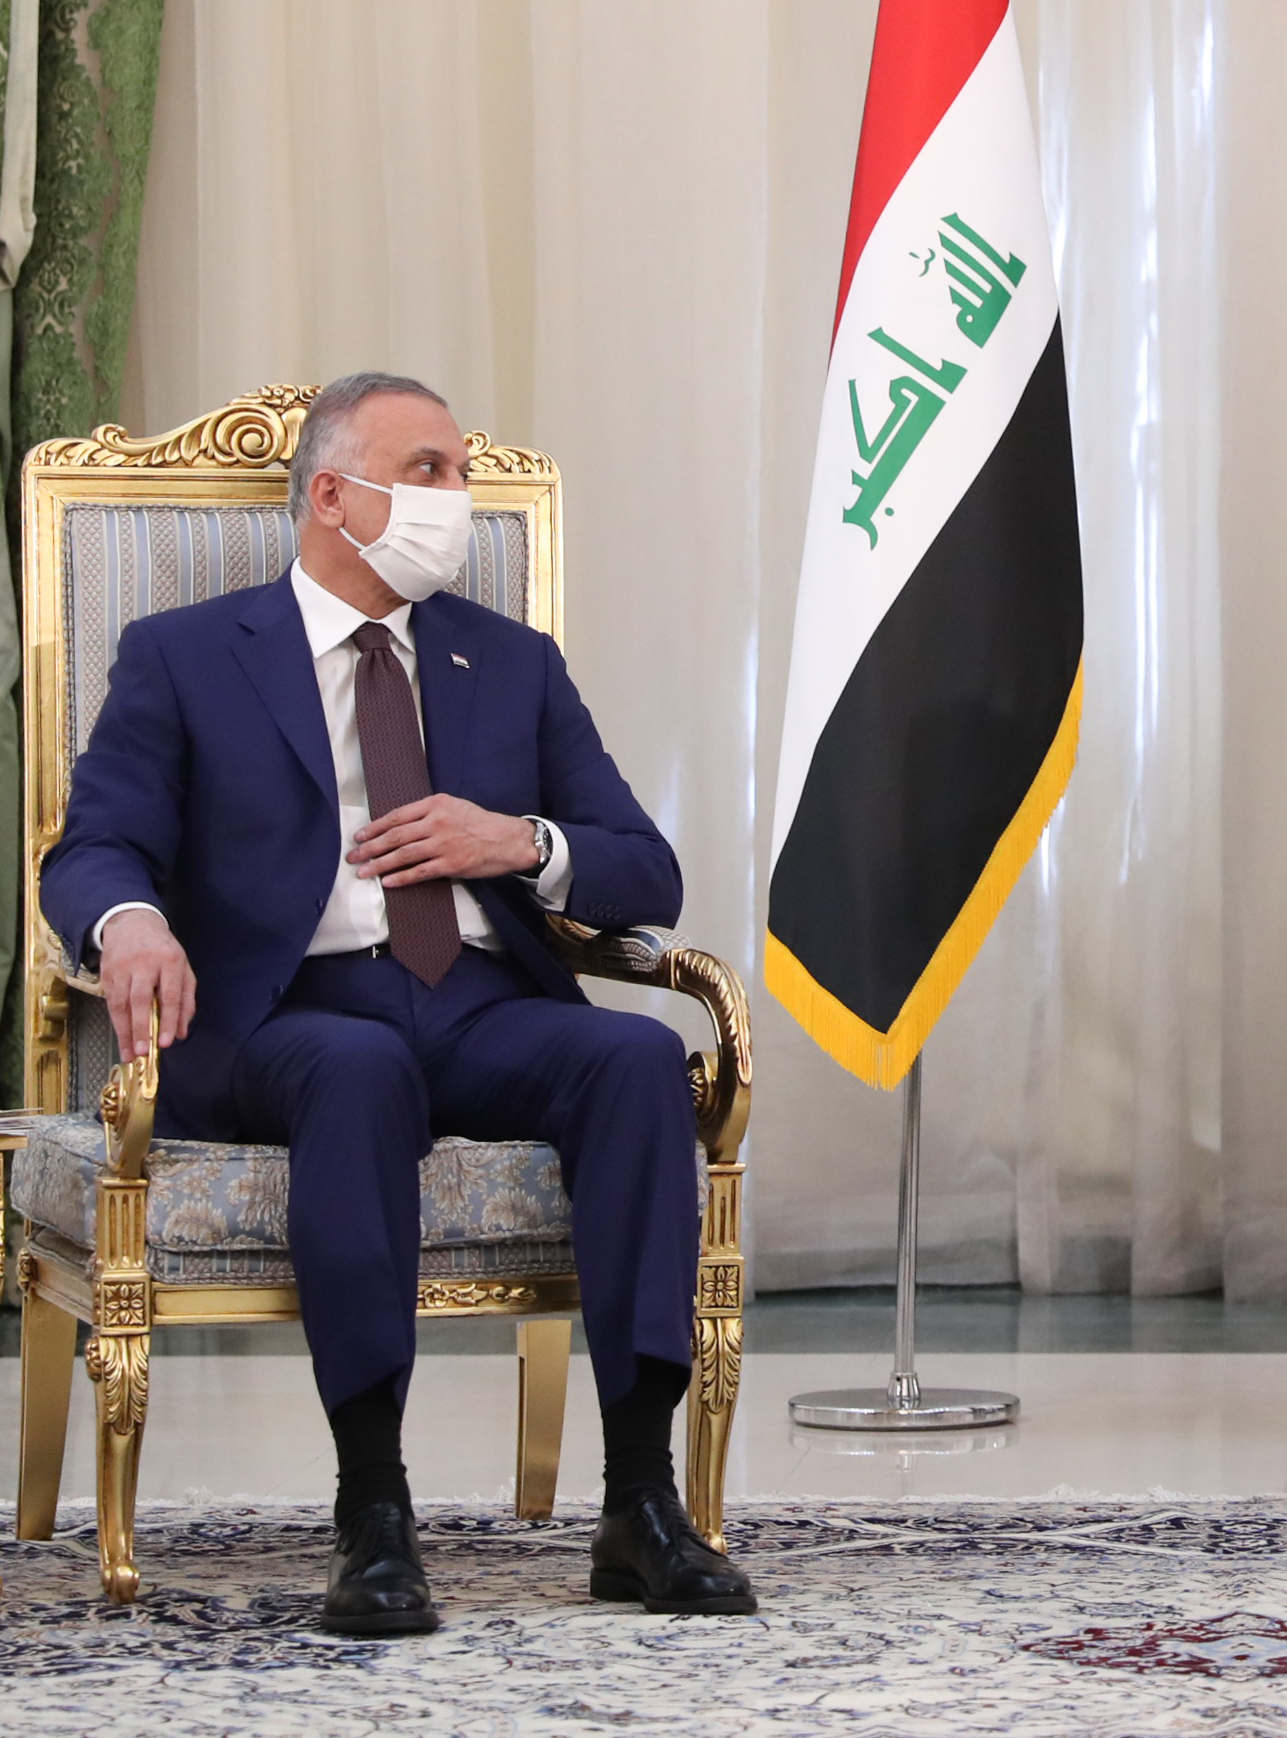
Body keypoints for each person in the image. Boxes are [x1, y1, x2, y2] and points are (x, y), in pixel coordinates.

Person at [38, 371, 755, 1635]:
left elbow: (646, 870)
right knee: (356, 1069)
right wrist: (131, 920)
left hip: (478, 1002)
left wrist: (518, 841)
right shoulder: (186, 656)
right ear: (331, 495)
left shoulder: (510, 662)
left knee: (636, 1062)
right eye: (428, 471)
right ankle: (373, 1511)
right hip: (284, 1015)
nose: (456, 498)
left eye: (462, 473)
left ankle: (640, 1505)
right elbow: (92, 847)